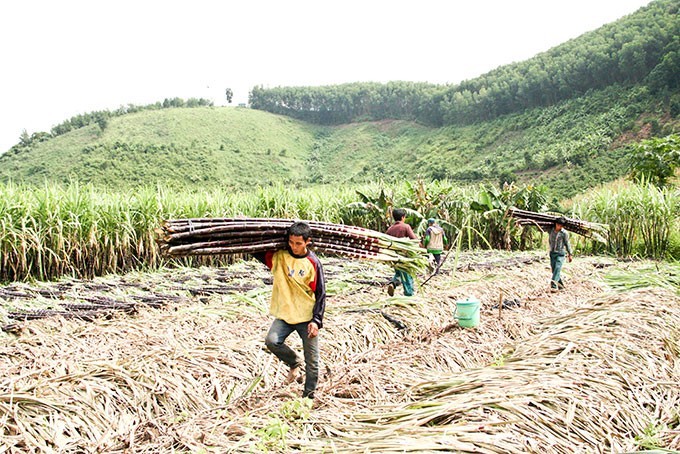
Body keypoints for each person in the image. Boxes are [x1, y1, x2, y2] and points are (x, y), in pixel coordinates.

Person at [254, 221, 326, 399]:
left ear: (307, 241)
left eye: (298, 243)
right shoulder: (280, 257)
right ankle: (294, 362)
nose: (294, 247)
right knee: (271, 341)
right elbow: (257, 252)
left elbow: (321, 293)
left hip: (306, 317)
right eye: (291, 242)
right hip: (286, 314)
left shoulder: (312, 263)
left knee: (312, 361)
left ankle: (308, 397)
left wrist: (316, 320)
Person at [385, 208, 419, 297]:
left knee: (399, 273)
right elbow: (414, 239)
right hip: (404, 255)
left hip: (393, 255)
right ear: (403, 217)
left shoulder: (390, 229)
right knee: (407, 274)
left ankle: (393, 283)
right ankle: (409, 294)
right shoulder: (405, 227)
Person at [548, 216, 573, 291]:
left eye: (561, 225)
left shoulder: (564, 233)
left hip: (560, 253)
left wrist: (570, 254)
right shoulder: (550, 230)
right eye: (558, 225)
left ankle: (553, 285)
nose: (559, 226)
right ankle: (561, 286)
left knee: (557, 268)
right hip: (552, 253)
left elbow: (567, 243)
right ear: (555, 224)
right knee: (554, 270)